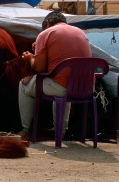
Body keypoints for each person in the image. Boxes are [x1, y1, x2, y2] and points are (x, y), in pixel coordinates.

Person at [17, 11, 91, 140]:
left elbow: (39, 68)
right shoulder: (80, 32)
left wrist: (30, 58)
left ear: (47, 23)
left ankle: (26, 130)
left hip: (61, 87)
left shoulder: (45, 34)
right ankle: (61, 131)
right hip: (85, 88)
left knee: (23, 85)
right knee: (64, 86)